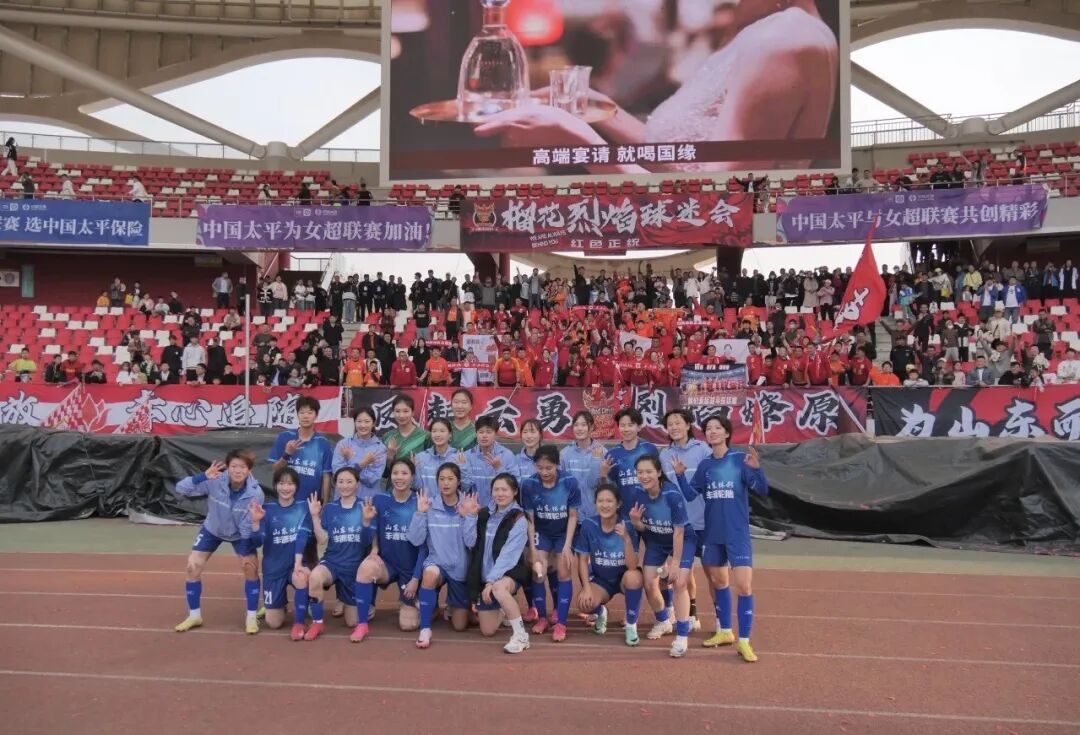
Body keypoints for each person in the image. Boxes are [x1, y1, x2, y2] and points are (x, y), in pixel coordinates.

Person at [474, 0, 837, 173]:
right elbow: (688, 161)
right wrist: (604, 113)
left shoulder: (783, 40)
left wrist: (576, 139)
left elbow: (715, 201)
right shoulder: (774, 30)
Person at [674, 416, 767, 662]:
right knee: (718, 582)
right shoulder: (705, 465)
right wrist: (680, 476)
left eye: (717, 428)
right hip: (713, 534)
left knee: (744, 586)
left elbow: (762, 490)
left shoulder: (739, 460)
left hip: (737, 534)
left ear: (727, 433)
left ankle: (744, 641)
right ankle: (725, 631)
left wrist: (756, 470)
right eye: (708, 429)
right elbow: (690, 495)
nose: (712, 432)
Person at [172, 449, 264, 634]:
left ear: (249, 470)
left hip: (240, 534)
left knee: (250, 568)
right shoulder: (214, 480)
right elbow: (181, 489)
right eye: (234, 466)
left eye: (242, 467)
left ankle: (251, 617)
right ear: (228, 468)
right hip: (212, 529)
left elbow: (248, 527)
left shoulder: (256, 494)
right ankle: (194, 616)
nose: (238, 471)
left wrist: (247, 550)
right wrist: (202, 477)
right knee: (192, 566)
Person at [350, 458, 427, 643]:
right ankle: (362, 624)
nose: (399, 477)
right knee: (366, 568)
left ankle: (413, 602)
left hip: (410, 570)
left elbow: (425, 546)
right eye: (395, 473)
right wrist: (373, 545)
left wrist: (416, 578)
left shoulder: (420, 501)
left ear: (412, 477)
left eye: (404, 473)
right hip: (387, 564)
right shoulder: (380, 499)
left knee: (408, 625)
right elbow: (370, 534)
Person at [629, 455, 697, 657]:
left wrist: (675, 562)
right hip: (656, 542)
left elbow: (679, 532)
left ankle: (682, 637)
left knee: (679, 583)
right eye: (640, 472)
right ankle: (663, 620)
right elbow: (643, 528)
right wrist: (636, 522)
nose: (644, 476)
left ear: (658, 472)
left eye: (649, 471)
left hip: (682, 540)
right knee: (649, 581)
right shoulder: (638, 494)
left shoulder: (672, 495)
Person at [407, 464, 480, 648]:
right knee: (429, 575)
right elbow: (415, 540)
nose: (446, 483)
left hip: (460, 569)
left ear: (458, 482)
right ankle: (425, 629)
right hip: (437, 562)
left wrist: (469, 517)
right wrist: (420, 513)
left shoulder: (467, 504)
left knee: (460, 625)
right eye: (442, 479)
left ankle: (453, 607)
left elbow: (471, 542)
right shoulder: (429, 505)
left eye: (450, 479)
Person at [298, 467, 368, 641]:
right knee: (315, 576)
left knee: (352, 622)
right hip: (332, 562)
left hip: (354, 568)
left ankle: (344, 599)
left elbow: (370, 538)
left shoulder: (364, 506)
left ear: (357, 484)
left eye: (349, 481)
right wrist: (315, 517)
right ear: (336, 485)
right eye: (341, 482)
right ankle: (317, 622)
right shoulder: (330, 508)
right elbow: (322, 540)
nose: (345, 485)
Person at [573, 483, 645, 646]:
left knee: (634, 577)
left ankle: (631, 625)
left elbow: (632, 566)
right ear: (595, 504)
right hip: (602, 581)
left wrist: (626, 539)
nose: (604, 505)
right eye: (600, 501)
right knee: (583, 603)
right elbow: (582, 560)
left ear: (618, 504)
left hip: (623, 579)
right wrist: (586, 587)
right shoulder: (589, 525)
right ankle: (601, 612)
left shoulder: (627, 525)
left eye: (609, 501)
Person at [521, 445, 581, 642]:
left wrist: (567, 546)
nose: (544, 472)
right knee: (538, 571)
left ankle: (561, 623)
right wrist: (532, 548)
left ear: (557, 465)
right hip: (541, 532)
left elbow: (573, 516)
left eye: (549, 468)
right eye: (540, 468)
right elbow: (530, 520)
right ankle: (542, 618)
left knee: (564, 570)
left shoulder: (569, 482)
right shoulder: (529, 485)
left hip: (563, 532)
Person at [467, 472, 532, 653]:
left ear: (514, 492)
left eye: (504, 490)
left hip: (508, 572)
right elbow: (470, 542)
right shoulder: (484, 514)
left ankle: (521, 636)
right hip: (485, 575)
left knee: (499, 589)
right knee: (487, 631)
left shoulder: (519, 519)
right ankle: (503, 608)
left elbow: (508, 556)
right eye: (496, 490)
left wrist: (491, 581)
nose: (500, 494)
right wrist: (471, 517)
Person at [659, 409, 711, 632]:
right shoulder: (664, 455)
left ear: (688, 425)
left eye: (678, 422)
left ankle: (720, 622)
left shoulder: (703, 450)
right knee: (681, 570)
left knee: (712, 574)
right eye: (670, 424)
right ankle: (688, 613)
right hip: (679, 525)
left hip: (704, 522)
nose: (674, 427)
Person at [249, 467, 312, 634]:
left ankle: (299, 622)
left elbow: (302, 537)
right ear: (275, 486)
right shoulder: (266, 509)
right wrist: (255, 523)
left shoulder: (303, 507)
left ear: (296, 486)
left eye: (290, 484)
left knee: (301, 576)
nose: (285, 488)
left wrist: (298, 563)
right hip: (273, 568)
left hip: (295, 565)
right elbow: (257, 542)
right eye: (281, 483)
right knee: (273, 623)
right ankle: (280, 604)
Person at [269, 396, 334, 505]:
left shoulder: (323, 443)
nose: (305, 416)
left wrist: (325, 504)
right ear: (297, 414)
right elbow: (274, 468)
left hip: (311, 504)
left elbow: (326, 476)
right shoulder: (284, 437)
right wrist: (286, 454)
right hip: (285, 503)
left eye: (310, 412)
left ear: (316, 415)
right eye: (302, 412)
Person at [600, 408, 660, 516]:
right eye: (622, 425)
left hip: (651, 512)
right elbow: (607, 489)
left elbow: (660, 480)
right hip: (624, 513)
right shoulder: (612, 455)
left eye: (630, 425)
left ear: (639, 427)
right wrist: (603, 475)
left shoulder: (649, 449)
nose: (626, 429)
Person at [332, 407, 388, 500]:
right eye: (359, 421)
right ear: (354, 422)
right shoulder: (343, 444)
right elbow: (338, 474)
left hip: (368, 500)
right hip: (343, 500)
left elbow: (372, 480)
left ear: (374, 423)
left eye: (367, 421)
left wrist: (351, 460)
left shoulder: (380, 449)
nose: (363, 425)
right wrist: (362, 464)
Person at [559, 410, 606, 521]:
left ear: (591, 427)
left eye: (584, 425)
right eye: (576, 425)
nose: (579, 428)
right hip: (572, 516)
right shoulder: (565, 454)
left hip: (597, 515)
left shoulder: (602, 452)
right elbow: (561, 486)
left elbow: (606, 485)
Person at [464, 415, 517, 508]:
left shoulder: (507, 455)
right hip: (475, 509)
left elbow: (516, 485)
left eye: (489, 432)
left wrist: (499, 469)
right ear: (476, 433)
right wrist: (462, 469)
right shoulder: (467, 456)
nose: (484, 436)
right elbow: (464, 488)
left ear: (495, 434)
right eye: (481, 432)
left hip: (501, 510)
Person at [414, 418, 471, 495]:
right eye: (434, 431)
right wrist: (413, 473)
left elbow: (465, 489)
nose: (438, 435)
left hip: (451, 502)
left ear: (450, 434)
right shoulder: (420, 458)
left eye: (442, 431)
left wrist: (463, 469)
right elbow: (415, 487)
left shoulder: (459, 457)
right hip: (426, 502)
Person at [382, 394, 431, 462]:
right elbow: (382, 466)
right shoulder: (387, 437)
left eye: (406, 411)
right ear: (393, 413)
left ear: (412, 412)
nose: (401, 415)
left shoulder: (425, 437)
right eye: (397, 411)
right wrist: (390, 456)